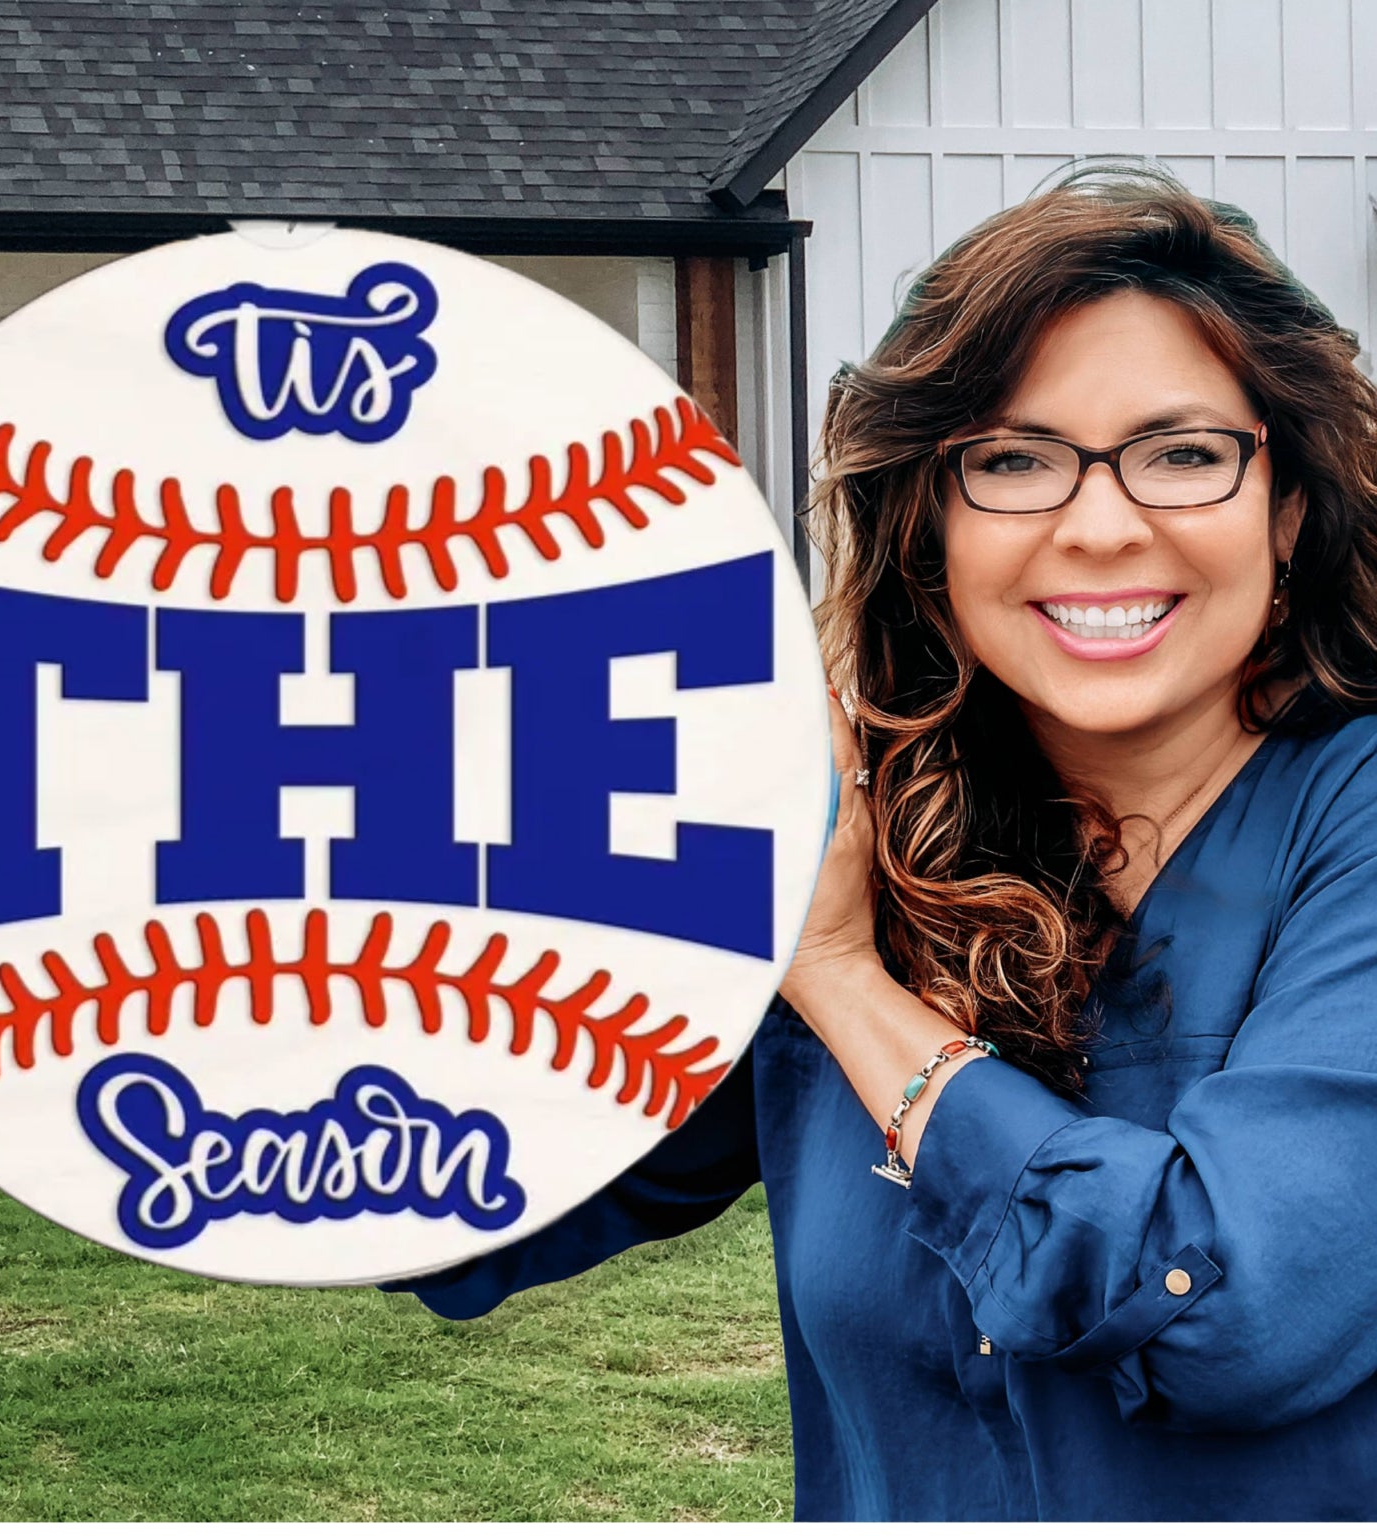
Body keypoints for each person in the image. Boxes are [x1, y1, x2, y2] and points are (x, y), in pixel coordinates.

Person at [384, 161, 1377, 1520]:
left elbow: (1230, 1311)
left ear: (1291, 505)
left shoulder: (1348, 823)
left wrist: (846, 982)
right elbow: (471, 1191)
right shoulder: (869, 829)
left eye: (1184, 453)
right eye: (1013, 461)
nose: (1098, 526)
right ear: (930, 527)